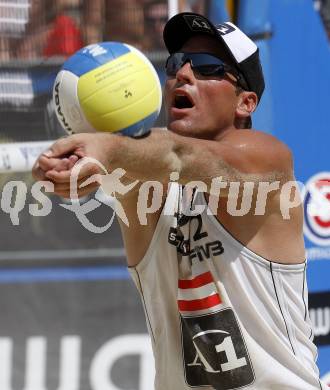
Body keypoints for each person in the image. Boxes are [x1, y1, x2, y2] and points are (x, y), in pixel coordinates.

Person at [32, 12, 326, 390]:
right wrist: (72, 168)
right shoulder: (142, 182)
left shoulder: (267, 160)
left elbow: (177, 157)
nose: (183, 75)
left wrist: (106, 152)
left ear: (246, 103)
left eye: (206, 68)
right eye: (175, 64)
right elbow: (137, 158)